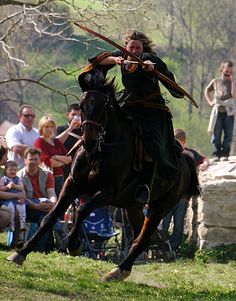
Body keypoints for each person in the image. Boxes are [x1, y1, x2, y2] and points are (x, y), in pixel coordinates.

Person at [79, 30, 184, 203]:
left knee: (152, 146)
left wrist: (151, 67)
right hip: (129, 105)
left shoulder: (150, 58)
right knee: (105, 125)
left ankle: (146, 186)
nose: (134, 50)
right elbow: (99, 60)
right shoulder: (123, 54)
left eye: (137, 47)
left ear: (142, 49)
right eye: (131, 47)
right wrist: (116, 60)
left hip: (152, 110)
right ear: (126, 46)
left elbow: (159, 68)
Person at [160, 128, 208, 252]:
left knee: (179, 224)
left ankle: (174, 247)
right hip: (167, 195)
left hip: (182, 196)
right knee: (163, 224)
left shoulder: (189, 154)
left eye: (178, 142)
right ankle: (162, 245)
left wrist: (205, 164)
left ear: (183, 142)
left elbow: (203, 159)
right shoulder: (166, 153)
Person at [18, 147, 62, 252]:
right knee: (47, 218)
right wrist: (36, 206)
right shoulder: (18, 176)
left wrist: (52, 203)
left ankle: (43, 247)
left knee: (46, 218)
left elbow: (51, 193)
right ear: (25, 160)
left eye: (35, 159)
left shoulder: (48, 174)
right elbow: (21, 197)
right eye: (30, 159)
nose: (33, 162)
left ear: (40, 160)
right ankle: (43, 246)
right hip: (27, 207)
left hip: (43, 206)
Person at [205, 60, 236, 161]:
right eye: (226, 71)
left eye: (230, 72)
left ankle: (225, 155)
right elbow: (207, 90)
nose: (228, 74)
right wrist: (210, 102)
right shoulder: (215, 81)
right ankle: (215, 154)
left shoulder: (232, 82)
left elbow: (234, 96)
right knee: (216, 134)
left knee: (228, 135)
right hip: (218, 111)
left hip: (229, 112)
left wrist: (233, 82)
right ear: (221, 70)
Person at [34, 116, 72, 197]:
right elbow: (49, 163)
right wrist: (63, 161)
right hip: (46, 178)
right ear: (41, 128)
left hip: (60, 177)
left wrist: (55, 157)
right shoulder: (39, 142)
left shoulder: (56, 141)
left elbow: (69, 158)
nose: (50, 129)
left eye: (52, 127)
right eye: (47, 127)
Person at [5, 105, 39, 169]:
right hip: (17, 172)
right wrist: (37, 151)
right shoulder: (14, 130)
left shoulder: (37, 133)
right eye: (27, 116)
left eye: (32, 116)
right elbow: (17, 148)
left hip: (35, 172)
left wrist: (25, 147)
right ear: (20, 117)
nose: (30, 118)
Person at [56, 103, 82, 178]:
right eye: (73, 114)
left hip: (79, 168)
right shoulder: (60, 129)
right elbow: (56, 143)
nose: (76, 117)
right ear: (68, 114)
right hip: (63, 167)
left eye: (79, 115)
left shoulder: (85, 130)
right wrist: (71, 128)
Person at [0, 161, 26, 232]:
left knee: (22, 208)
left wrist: (14, 186)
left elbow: (21, 188)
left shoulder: (18, 179)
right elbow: (1, 188)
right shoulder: (3, 179)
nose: (13, 171)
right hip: (8, 199)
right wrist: (7, 187)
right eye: (11, 169)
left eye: (15, 170)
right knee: (11, 209)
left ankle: (22, 224)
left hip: (17, 199)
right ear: (6, 170)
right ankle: (12, 225)